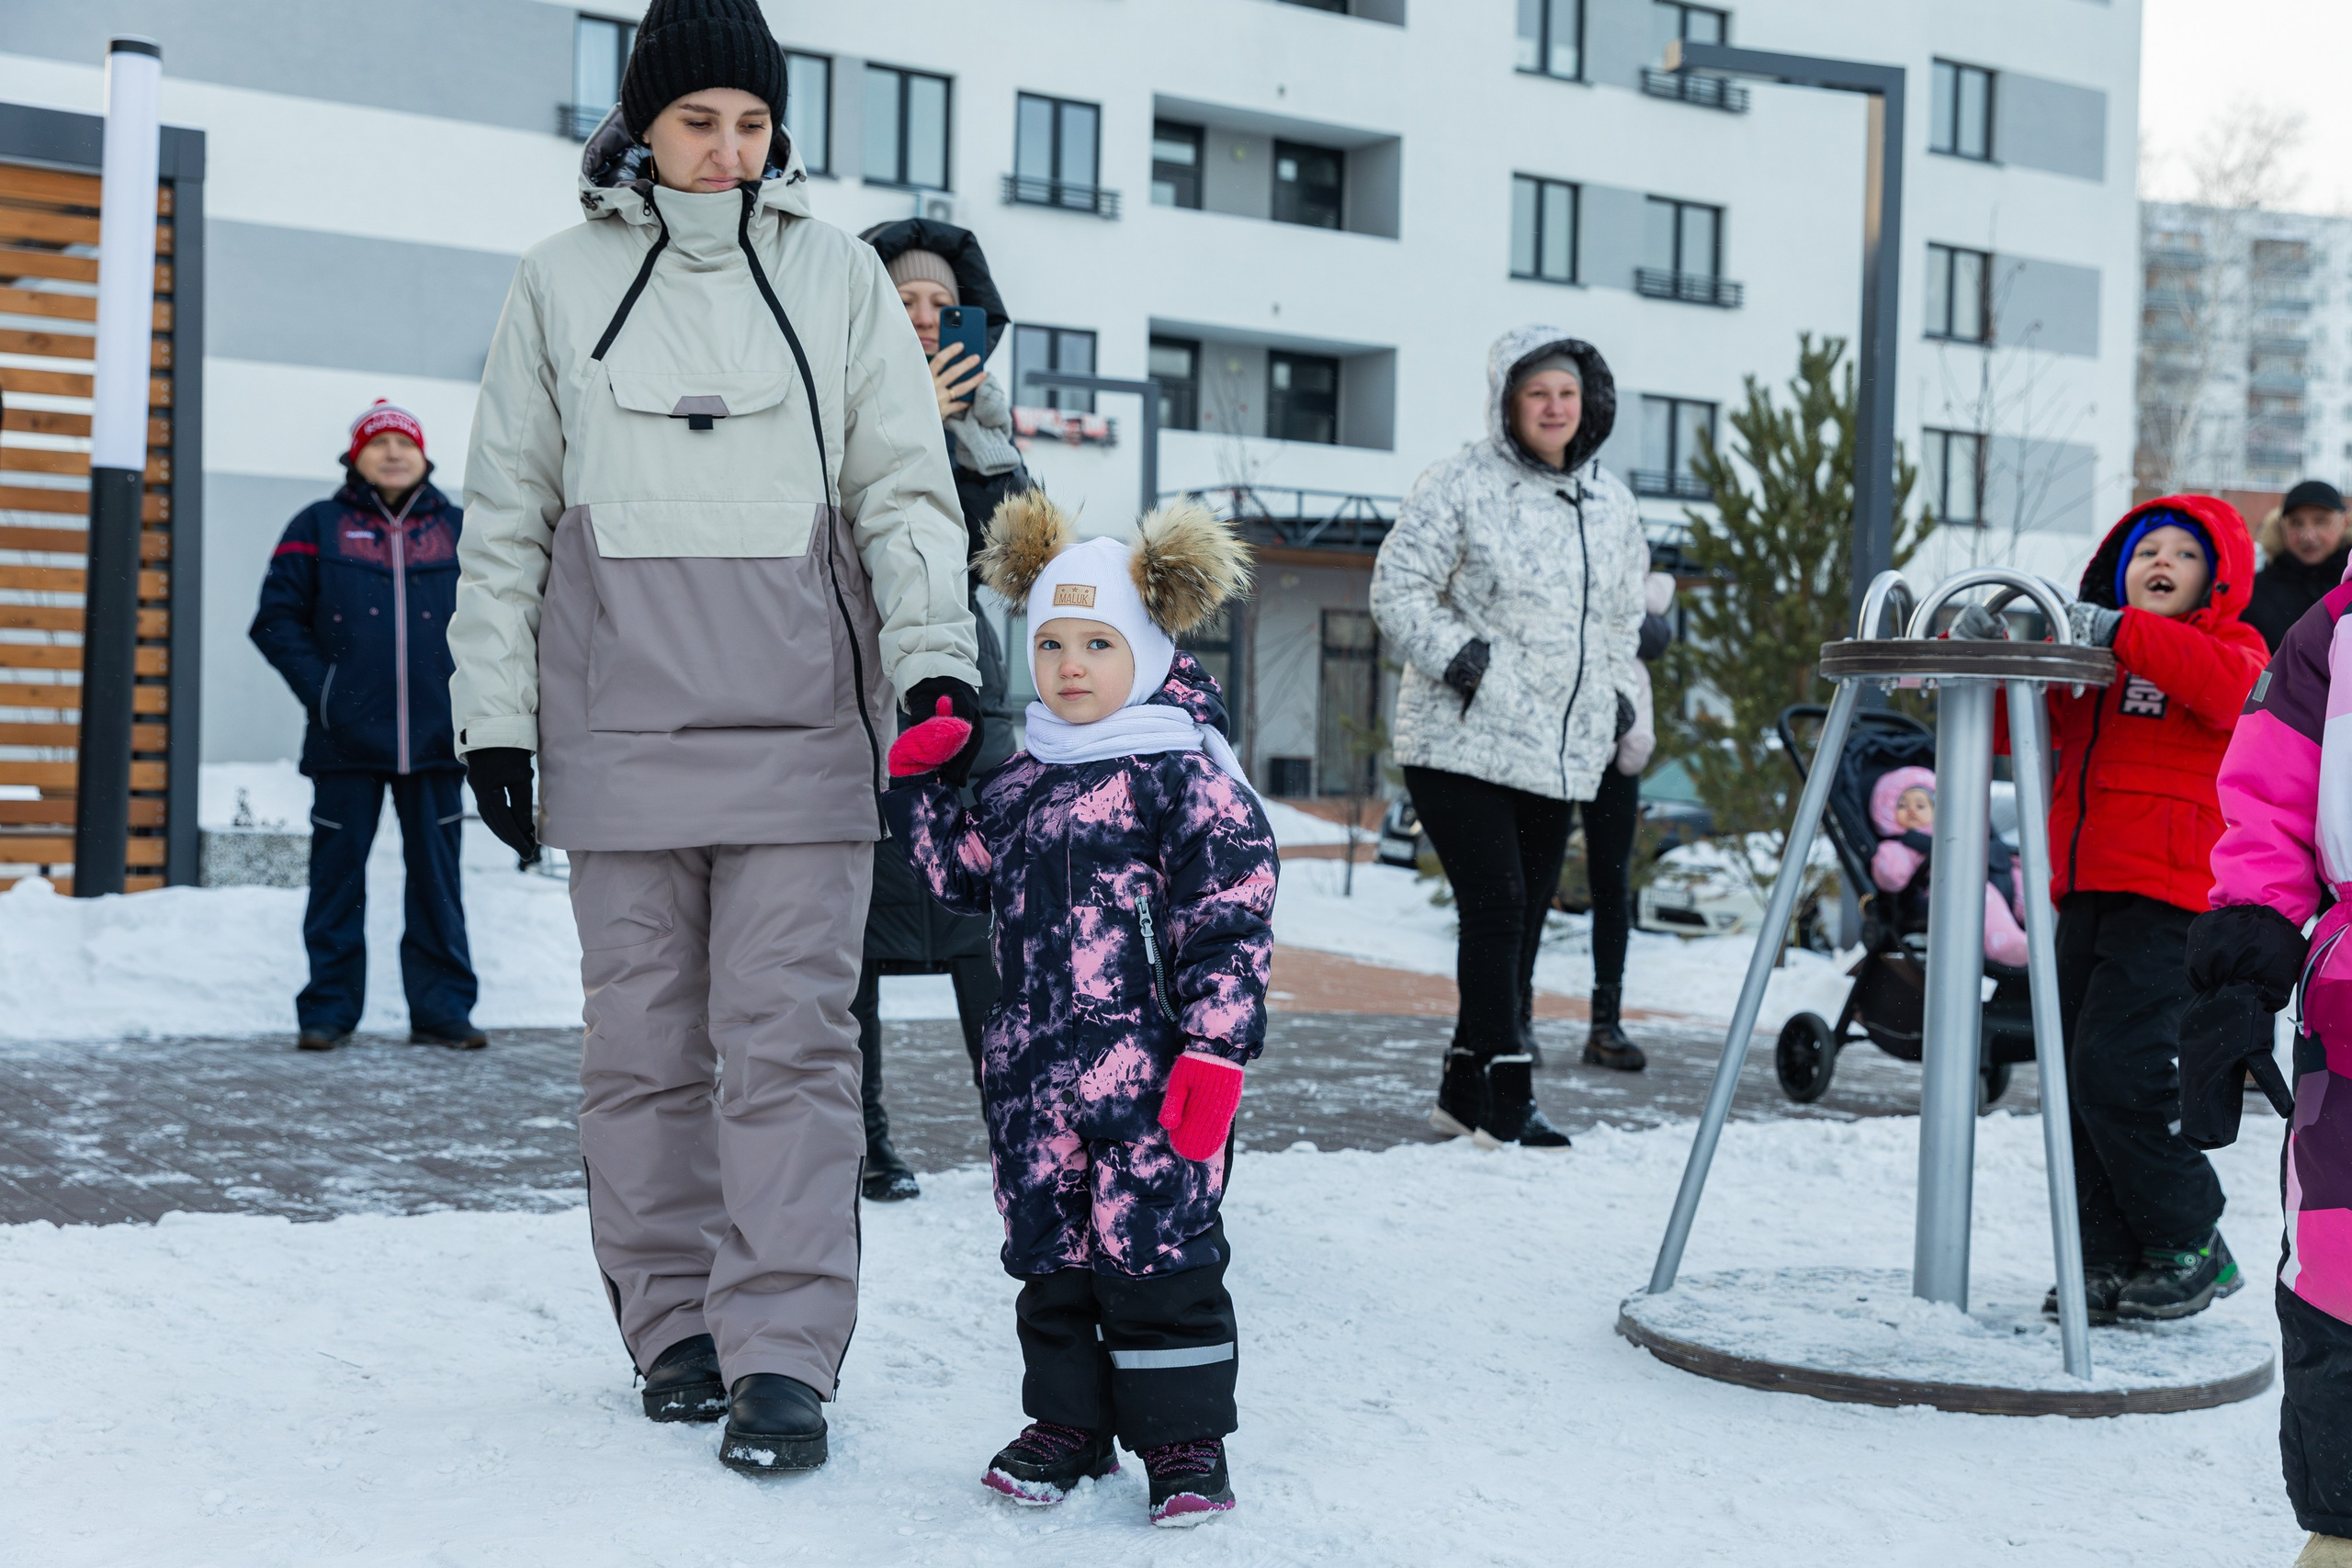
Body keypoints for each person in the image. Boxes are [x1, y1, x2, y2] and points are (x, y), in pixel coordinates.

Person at [445, 0, 980, 1476]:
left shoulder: (838, 278)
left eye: (753, 122)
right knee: (642, 1048)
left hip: (804, 726)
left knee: (793, 1049)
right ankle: (671, 1320)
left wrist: (933, 663)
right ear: (643, 121)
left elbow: (904, 490)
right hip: (619, 725)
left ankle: (784, 1353)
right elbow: (505, 519)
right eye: (700, 121)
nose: (729, 149)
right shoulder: (556, 283)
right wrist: (495, 715)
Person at [884, 493, 1273, 1528]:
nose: (1068, 665)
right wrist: (923, 792)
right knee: (1050, 1253)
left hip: (1153, 1078)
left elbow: (1231, 924)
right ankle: (1068, 1424)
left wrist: (1215, 1054)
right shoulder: (1024, 777)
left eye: (1097, 642)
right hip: (1032, 1074)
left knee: (1157, 1252)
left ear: (1145, 645)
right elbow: (964, 881)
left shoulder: (1186, 778)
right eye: (1051, 641)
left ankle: (1184, 1442)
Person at [1370, 327, 1647, 1149]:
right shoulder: (1460, 483)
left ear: (1589, 401)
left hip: (1558, 748)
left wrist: (1618, 696)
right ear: (1508, 404)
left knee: (1521, 922)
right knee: (1497, 906)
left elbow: (1623, 619)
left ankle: (1462, 1092)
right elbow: (1398, 588)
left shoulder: (1613, 502)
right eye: (1537, 393)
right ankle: (1508, 1091)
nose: (1555, 407)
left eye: (1567, 392)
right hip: (1458, 737)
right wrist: (1470, 664)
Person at [1992, 496, 2266, 1325]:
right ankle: (2109, 1253)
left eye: (2185, 555)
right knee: (2077, 1077)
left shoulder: (2230, 649)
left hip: (2174, 897)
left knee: (2121, 1069)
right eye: (2149, 551)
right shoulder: (2098, 660)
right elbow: (2015, 728)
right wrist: (1999, 651)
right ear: (2118, 567)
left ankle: (2192, 1237)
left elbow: (2226, 694)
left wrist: (2114, 632)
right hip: (2088, 887)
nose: (2163, 564)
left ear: (2214, 580)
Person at [844, 217, 1033, 1203]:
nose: (922, 320)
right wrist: (902, 418)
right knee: (851, 938)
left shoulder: (989, 420)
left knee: (986, 927)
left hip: (968, 688)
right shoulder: (824, 397)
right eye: (902, 302)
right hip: (858, 690)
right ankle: (865, 1142)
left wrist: (966, 438)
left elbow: (1010, 562)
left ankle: (1020, 1129)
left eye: (940, 307)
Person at [2181, 558, 2352, 1568]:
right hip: (2348, 1012)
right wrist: (2239, 977)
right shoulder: (2333, 626)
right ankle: (2339, 1530)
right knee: (2337, 1263)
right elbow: (2271, 804)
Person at [249, 400, 481, 1053]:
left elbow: (501, 614)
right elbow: (276, 619)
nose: (392, 453)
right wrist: (325, 695)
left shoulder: (463, 529)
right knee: (337, 882)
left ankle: (442, 1010)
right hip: (343, 741)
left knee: (439, 882)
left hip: (438, 738)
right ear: (356, 456)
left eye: (403, 443)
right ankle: (327, 1009)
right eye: (377, 443)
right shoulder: (318, 525)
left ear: (424, 454)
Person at [1576, 567, 1677, 1071]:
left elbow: (1657, 635)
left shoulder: (1627, 566)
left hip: (1618, 750)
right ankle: (1516, 1016)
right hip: (1556, 742)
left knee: (1612, 885)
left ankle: (1605, 1023)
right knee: (1533, 879)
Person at [1863, 767, 2029, 968]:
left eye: (1920, 805)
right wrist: (1891, 864)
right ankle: (2006, 943)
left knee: (2025, 881)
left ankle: (2046, 929)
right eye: (1902, 805)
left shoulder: (1957, 831)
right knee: (1977, 894)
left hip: (1990, 875)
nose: (1912, 810)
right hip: (1940, 890)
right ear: (1887, 811)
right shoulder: (1901, 845)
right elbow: (1893, 874)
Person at [2245, 479, 2349, 653]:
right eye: (2296, 523)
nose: (2308, 536)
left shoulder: (2349, 586)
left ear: (2345, 522)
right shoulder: (2254, 593)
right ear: (2281, 526)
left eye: (2320, 521)